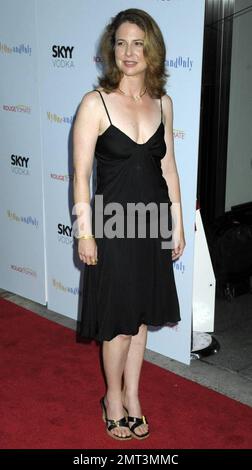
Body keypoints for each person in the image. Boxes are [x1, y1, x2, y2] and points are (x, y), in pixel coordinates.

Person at [73, 8, 185, 441]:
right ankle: (112, 399)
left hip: (151, 223)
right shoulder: (94, 103)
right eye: (121, 43)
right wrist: (85, 231)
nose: (128, 51)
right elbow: (81, 173)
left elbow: (169, 167)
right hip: (113, 226)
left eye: (138, 42)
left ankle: (134, 396)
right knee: (118, 323)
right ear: (111, 50)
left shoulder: (163, 103)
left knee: (139, 321)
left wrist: (175, 224)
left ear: (151, 49)